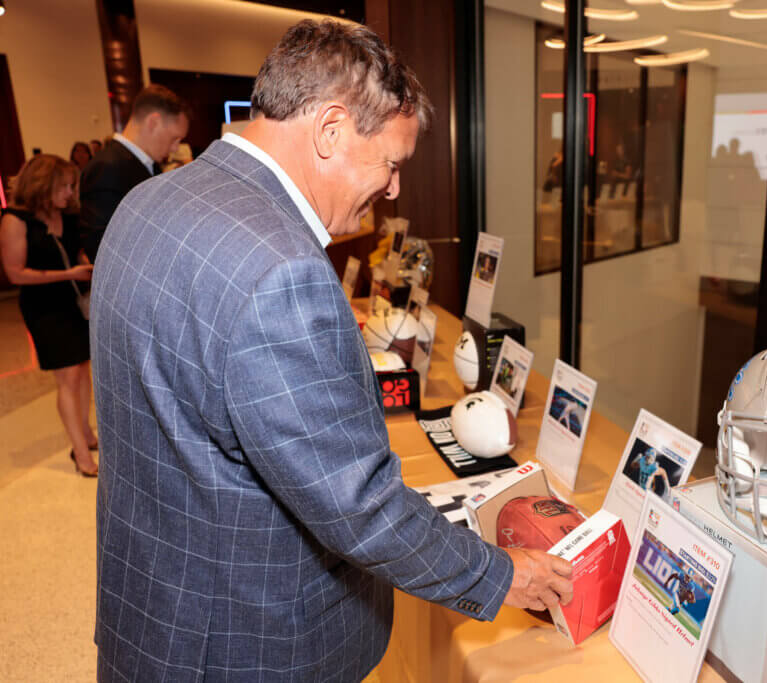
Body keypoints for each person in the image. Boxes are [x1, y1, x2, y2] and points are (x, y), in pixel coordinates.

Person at [91, 19, 572, 681]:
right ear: (331, 130)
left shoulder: (145, 202)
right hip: (242, 645)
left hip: (151, 610)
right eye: (392, 162)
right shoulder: (281, 269)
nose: (394, 188)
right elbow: (359, 506)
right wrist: (502, 574)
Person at [0, 155, 97, 476]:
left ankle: (85, 433)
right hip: (44, 308)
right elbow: (15, 273)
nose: (70, 193)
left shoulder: (66, 215)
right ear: (44, 186)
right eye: (65, 186)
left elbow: (73, 250)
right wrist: (69, 273)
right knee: (68, 376)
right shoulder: (15, 220)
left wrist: (83, 264)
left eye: (72, 186)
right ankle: (80, 454)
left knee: (82, 370)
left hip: (74, 302)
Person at [79, 84, 189, 263]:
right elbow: (100, 245)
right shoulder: (107, 167)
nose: (176, 148)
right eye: (175, 138)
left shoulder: (149, 164)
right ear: (153, 122)